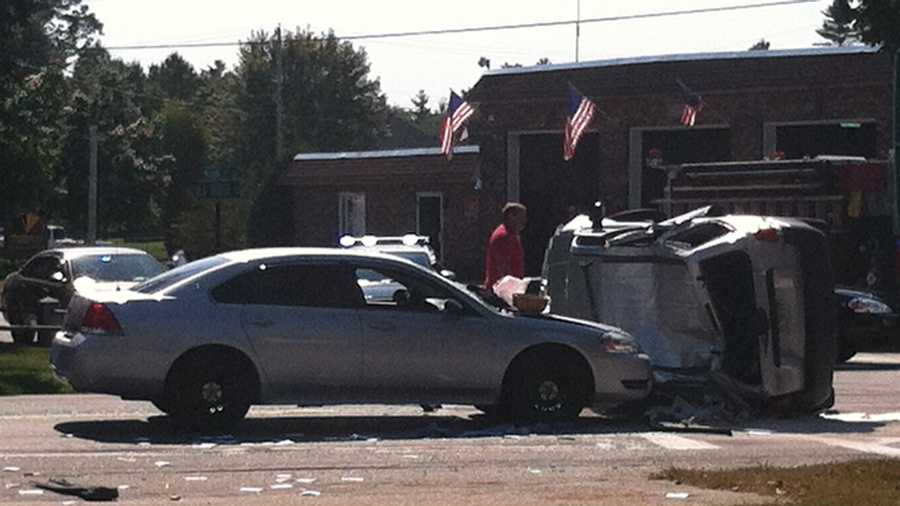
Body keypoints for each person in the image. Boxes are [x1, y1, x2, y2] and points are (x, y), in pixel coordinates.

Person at [483, 202, 527, 291]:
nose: (524, 221)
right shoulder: (504, 236)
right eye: (521, 217)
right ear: (511, 216)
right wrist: (512, 292)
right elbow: (503, 268)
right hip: (501, 293)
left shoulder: (511, 235)